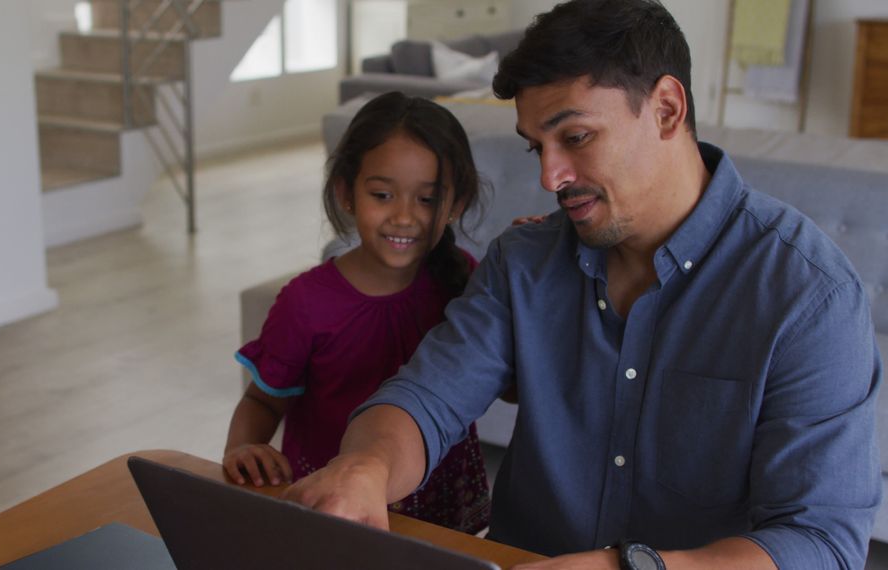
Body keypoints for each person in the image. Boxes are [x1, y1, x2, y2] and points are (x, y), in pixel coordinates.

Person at [283, 1, 882, 569]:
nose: (550, 177)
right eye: (535, 147)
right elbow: (427, 398)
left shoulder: (808, 296)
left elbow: (821, 544)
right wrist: (365, 464)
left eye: (575, 138)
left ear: (667, 109)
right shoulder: (523, 261)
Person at [223, 91, 492, 534]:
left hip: (440, 512)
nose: (404, 217)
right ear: (346, 192)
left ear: (456, 203)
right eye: (383, 194)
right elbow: (260, 399)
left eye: (427, 199)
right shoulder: (306, 302)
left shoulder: (462, 278)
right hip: (336, 511)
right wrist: (241, 448)